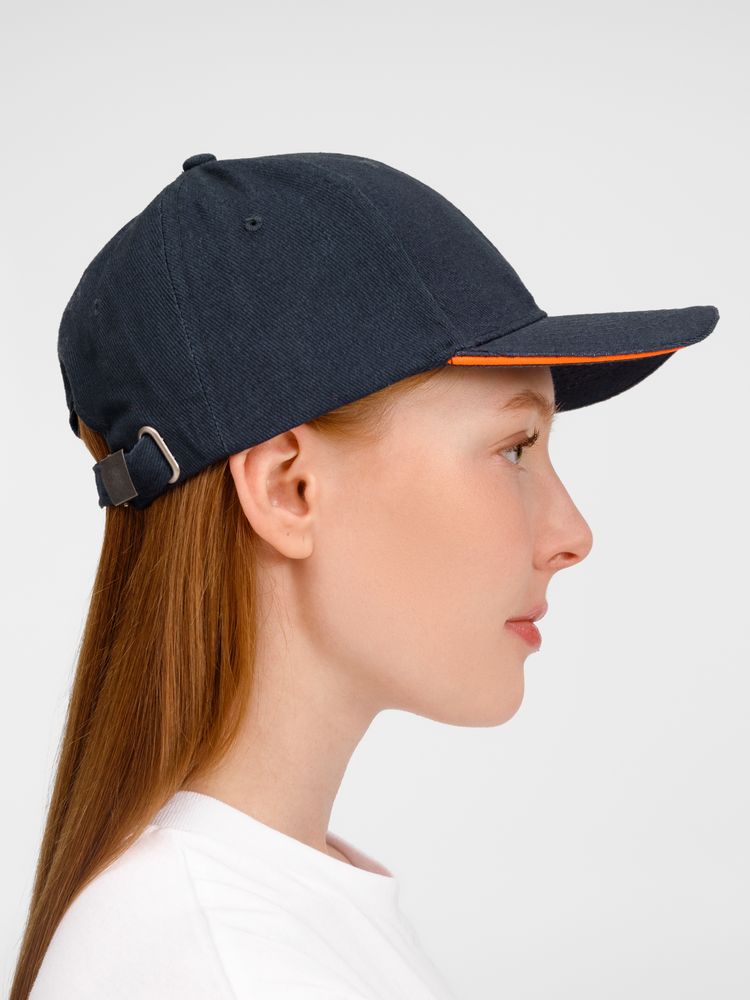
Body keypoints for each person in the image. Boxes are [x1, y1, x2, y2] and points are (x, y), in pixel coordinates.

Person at [11, 151, 719, 1000]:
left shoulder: (264, 909)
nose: (573, 536)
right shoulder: (229, 969)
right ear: (289, 489)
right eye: (515, 448)